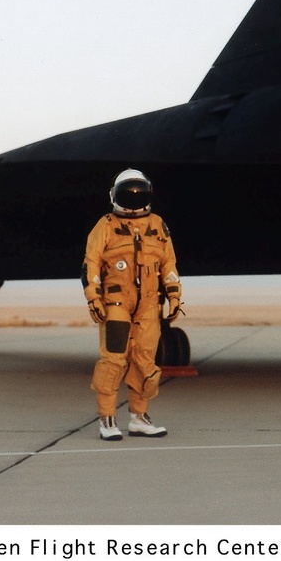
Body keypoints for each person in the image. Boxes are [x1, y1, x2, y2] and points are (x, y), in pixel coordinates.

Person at [81, 169, 183, 441]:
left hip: (149, 303)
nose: (134, 200)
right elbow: (91, 264)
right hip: (116, 302)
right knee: (113, 360)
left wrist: (174, 295)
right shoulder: (106, 225)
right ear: (114, 195)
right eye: (128, 194)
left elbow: (168, 263)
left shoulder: (157, 225)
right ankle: (107, 419)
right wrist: (94, 297)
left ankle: (139, 418)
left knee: (144, 360)